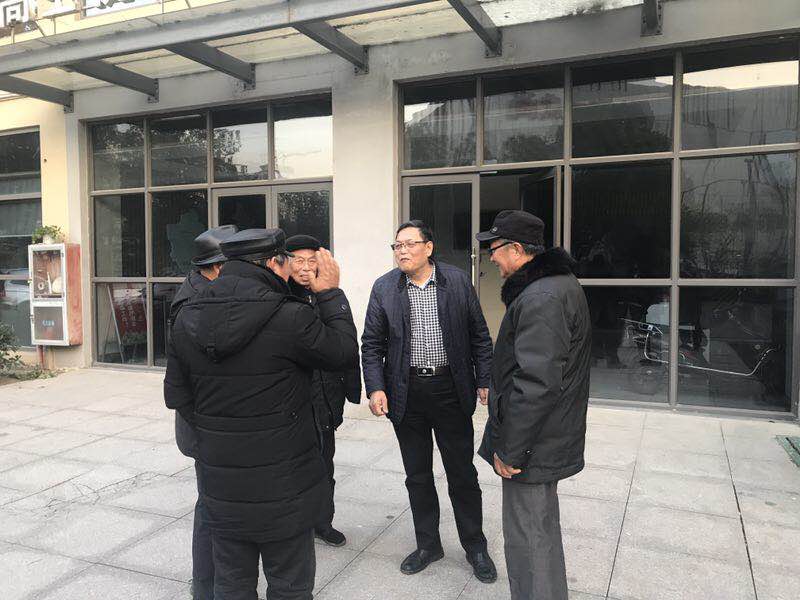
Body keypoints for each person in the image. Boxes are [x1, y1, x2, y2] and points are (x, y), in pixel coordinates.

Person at [164, 228, 359, 600]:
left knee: (232, 585)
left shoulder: (187, 315)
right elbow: (343, 353)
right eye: (287, 262)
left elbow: (177, 396)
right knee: (289, 586)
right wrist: (331, 294)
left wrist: (220, 433)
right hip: (285, 486)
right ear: (273, 263)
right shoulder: (291, 316)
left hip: (223, 484)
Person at [361, 220, 497, 583]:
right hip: (406, 392)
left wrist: (484, 378)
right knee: (417, 475)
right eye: (397, 245)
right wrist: (376, 388)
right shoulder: (384, 288)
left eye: (409, 244)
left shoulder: (457, 282)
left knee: (462, 474)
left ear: (429, 248)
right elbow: (371, 344)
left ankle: (475, 546)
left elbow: (480, 336)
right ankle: (428, 545)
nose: (402, 251)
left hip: (450, 388)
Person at [475, 210, 591, 600]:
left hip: (533, 444)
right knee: (538, 531)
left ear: (516, 249)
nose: (491, 257)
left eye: (494, 248)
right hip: (544, 437)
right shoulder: (554, 286)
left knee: (529, 541)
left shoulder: (542, 297)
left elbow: (536, 384)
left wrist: (512, 449)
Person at [168, 224, 237, 600]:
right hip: (204, 426)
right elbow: (182, 385)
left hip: (211, 424)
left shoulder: (204, 291)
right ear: (217, 266)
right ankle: (205, 586)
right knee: (210, 507)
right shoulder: (193, 305)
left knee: (216, 504)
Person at [285, 234, 362, 547]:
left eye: (311, 261)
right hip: (293, 402)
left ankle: (322, 522)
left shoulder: (327, 296)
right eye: (299, 261)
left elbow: (347, 342)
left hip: (325, 397)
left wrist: (351, 388)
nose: (306, 268)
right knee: (292, 469)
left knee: (324, 464)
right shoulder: (280, 298)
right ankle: (293, 526)